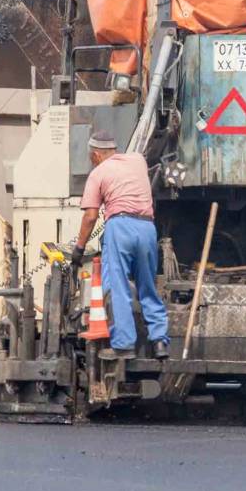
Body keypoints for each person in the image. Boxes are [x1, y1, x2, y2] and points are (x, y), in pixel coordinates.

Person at [68, 131, 169, 360]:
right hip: (146, 227)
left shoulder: (98, 173)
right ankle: (160, 341)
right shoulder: (137, 161)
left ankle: (124, 345)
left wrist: (79, 249)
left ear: (95, 155)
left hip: (120, 226)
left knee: (117, 286)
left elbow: (91, 217)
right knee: (147, 285)